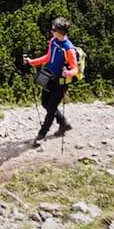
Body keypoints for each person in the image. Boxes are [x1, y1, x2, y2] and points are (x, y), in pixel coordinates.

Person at [24, 16, 78, 147]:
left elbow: (75, 68)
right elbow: (48, 57)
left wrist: (69, 73)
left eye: (53, 29)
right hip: (48, 77)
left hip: (61, 83)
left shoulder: (69, 49)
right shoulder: (53, 41)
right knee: (44, 103)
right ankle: (63, 123)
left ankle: (41, 135)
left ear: (60, 31)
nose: (51, 31)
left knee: (51, 109)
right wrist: (32, 62)